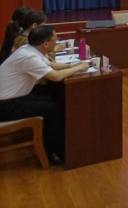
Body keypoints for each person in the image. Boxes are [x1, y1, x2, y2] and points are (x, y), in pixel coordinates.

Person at [0, 25, 89, 165]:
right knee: (55, 109)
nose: (57, 41)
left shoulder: (29, 49)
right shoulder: (28, 57)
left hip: (15, 97)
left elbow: (50, 65)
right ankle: (53, 152)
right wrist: (79, 68)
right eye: (55, 39)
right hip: (6, 106)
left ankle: (58, 142)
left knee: (57, 99)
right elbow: (56, 76)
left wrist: (71, 66)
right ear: (46, 44)